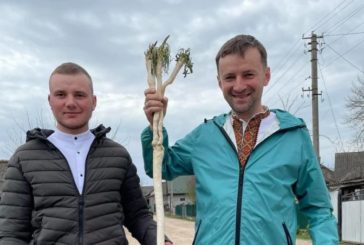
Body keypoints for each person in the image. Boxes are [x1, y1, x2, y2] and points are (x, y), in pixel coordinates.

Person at [142, 35, 338, 244]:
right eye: (229, 77)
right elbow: (162, 166)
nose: (239, 85)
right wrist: (155, 127)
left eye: (248, 74)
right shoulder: (205, 136)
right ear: (219, 82)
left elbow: (319, 209)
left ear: (266, 75)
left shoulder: (293, 136)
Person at [0, 62, 172, 245]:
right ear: (50, 101)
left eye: (80, 95)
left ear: (93, 101)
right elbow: (11, 233)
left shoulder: (118, 156)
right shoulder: (25, 158)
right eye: (61, 95)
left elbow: (139, 217)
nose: (70, 103)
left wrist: (161, 241)